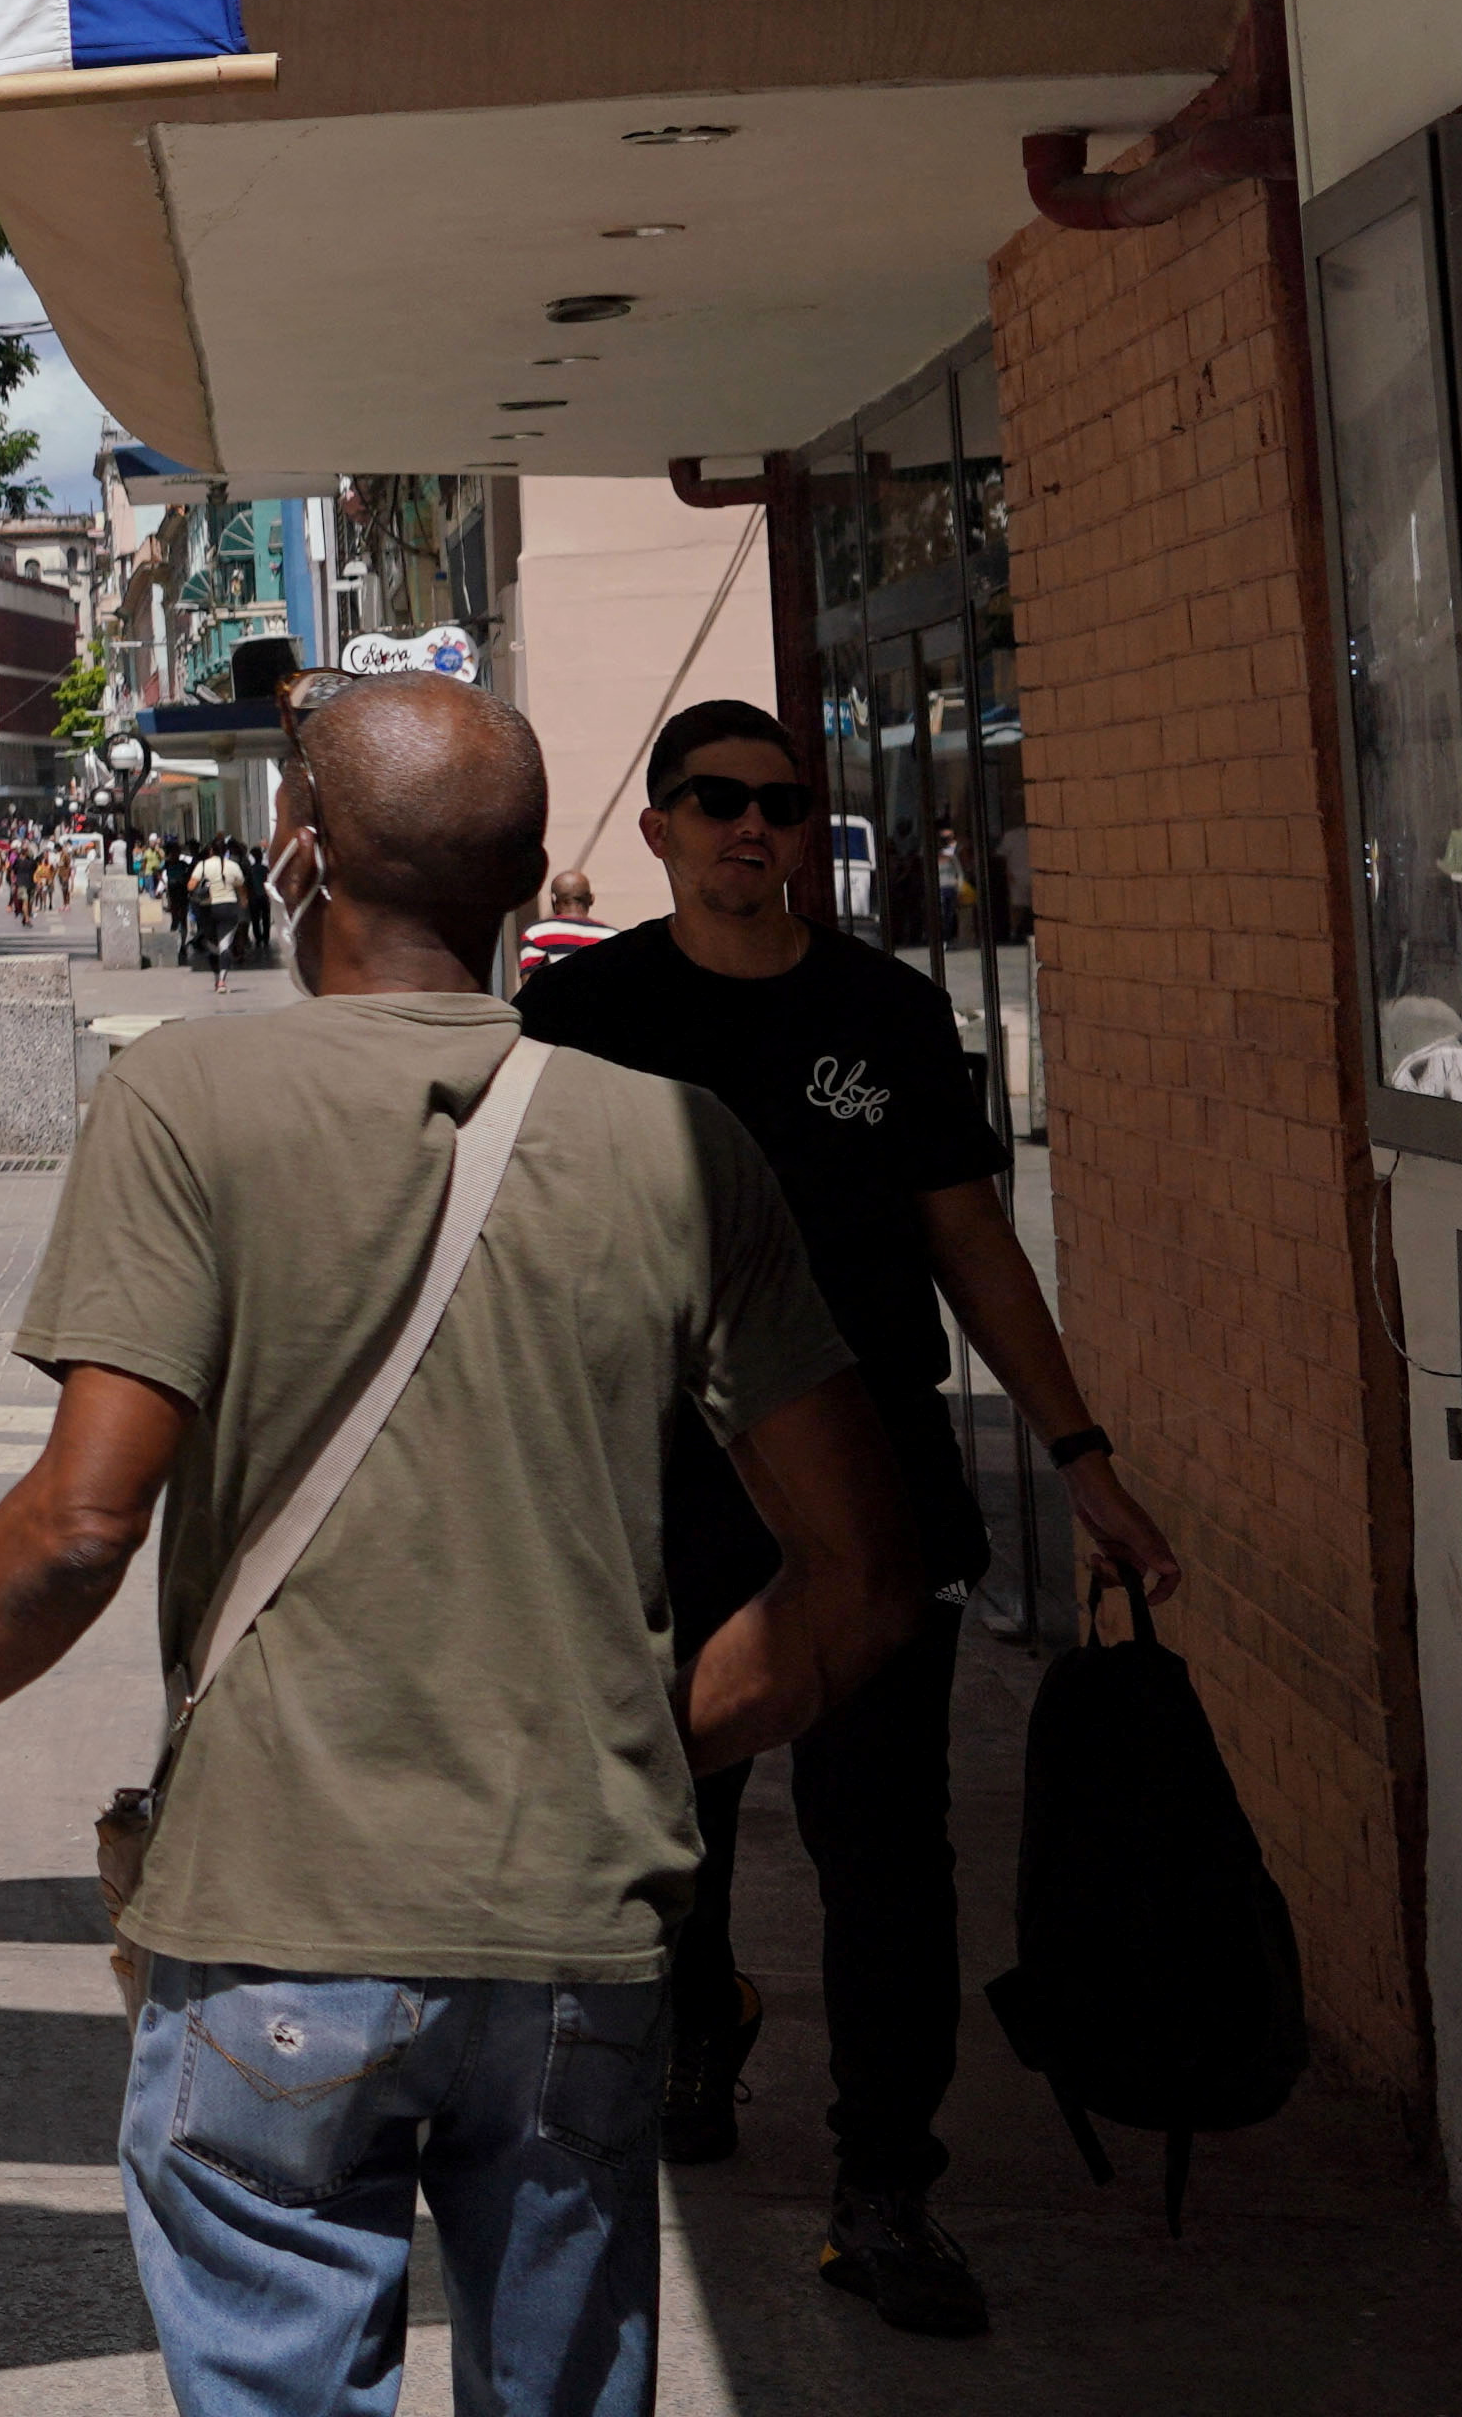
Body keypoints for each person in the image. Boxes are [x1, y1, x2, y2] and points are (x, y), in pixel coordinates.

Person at [0, 679, 911, 2417]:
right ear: (529, 874)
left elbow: (76, 1521)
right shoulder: (673, 1142)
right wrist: (652, 1747)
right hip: (572, 1933)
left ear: (293, 845)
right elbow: (865, 1572)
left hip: (279, 1925)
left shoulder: (184, 1101)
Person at [520, 695, 1187, 2333]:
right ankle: (697, 2023)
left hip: (869, 1504)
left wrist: (1075, 1448)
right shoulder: (578, 1009)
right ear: (658, 828)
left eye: (778, 803)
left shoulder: (881, 1012)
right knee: (661, 1819)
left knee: (881, 1855)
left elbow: (969, 1239)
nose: (749, 825)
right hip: (648, 1494)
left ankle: (881, 2182)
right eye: (713, 798)